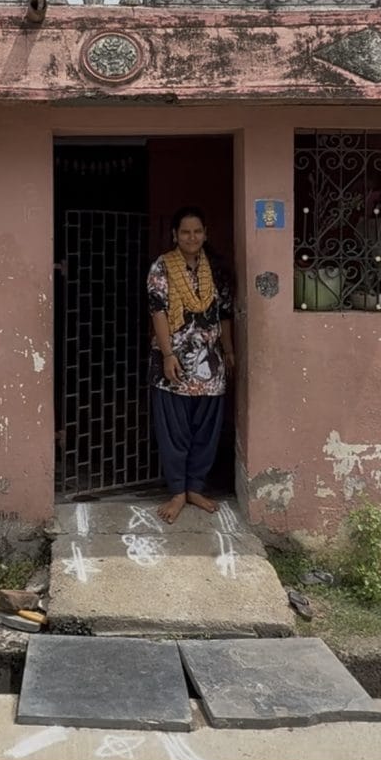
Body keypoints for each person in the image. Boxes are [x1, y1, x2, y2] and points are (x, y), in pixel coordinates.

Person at [147, 206, 235, 523]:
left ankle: (195, 487)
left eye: (197, 231)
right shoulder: (162, 267)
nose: (192, 237)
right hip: (174, 362)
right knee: (175, 430)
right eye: (185, 232)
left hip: (210, 364)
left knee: (206, 430)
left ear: (205, 234)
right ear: (175, 235)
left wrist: (228, 349)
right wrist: (168, 354)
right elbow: (157, 311)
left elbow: (224, 313)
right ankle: (178, 492)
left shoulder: (217, 270)